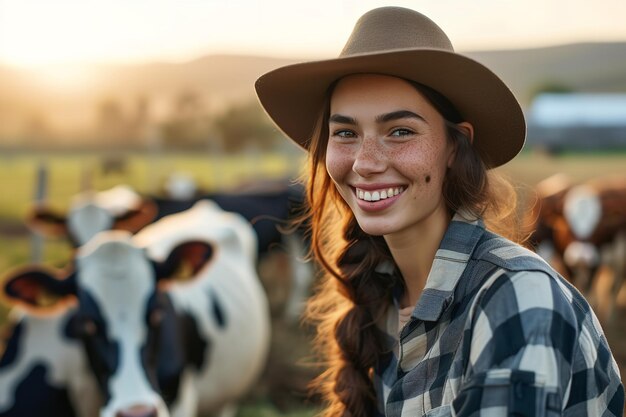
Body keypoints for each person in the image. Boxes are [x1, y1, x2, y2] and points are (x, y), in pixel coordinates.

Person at [255, 6, 624, 417]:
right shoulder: (382, 297)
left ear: (454, 146)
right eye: (345, 133)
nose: (364, 162)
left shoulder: (517, 298)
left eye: (400, 131)